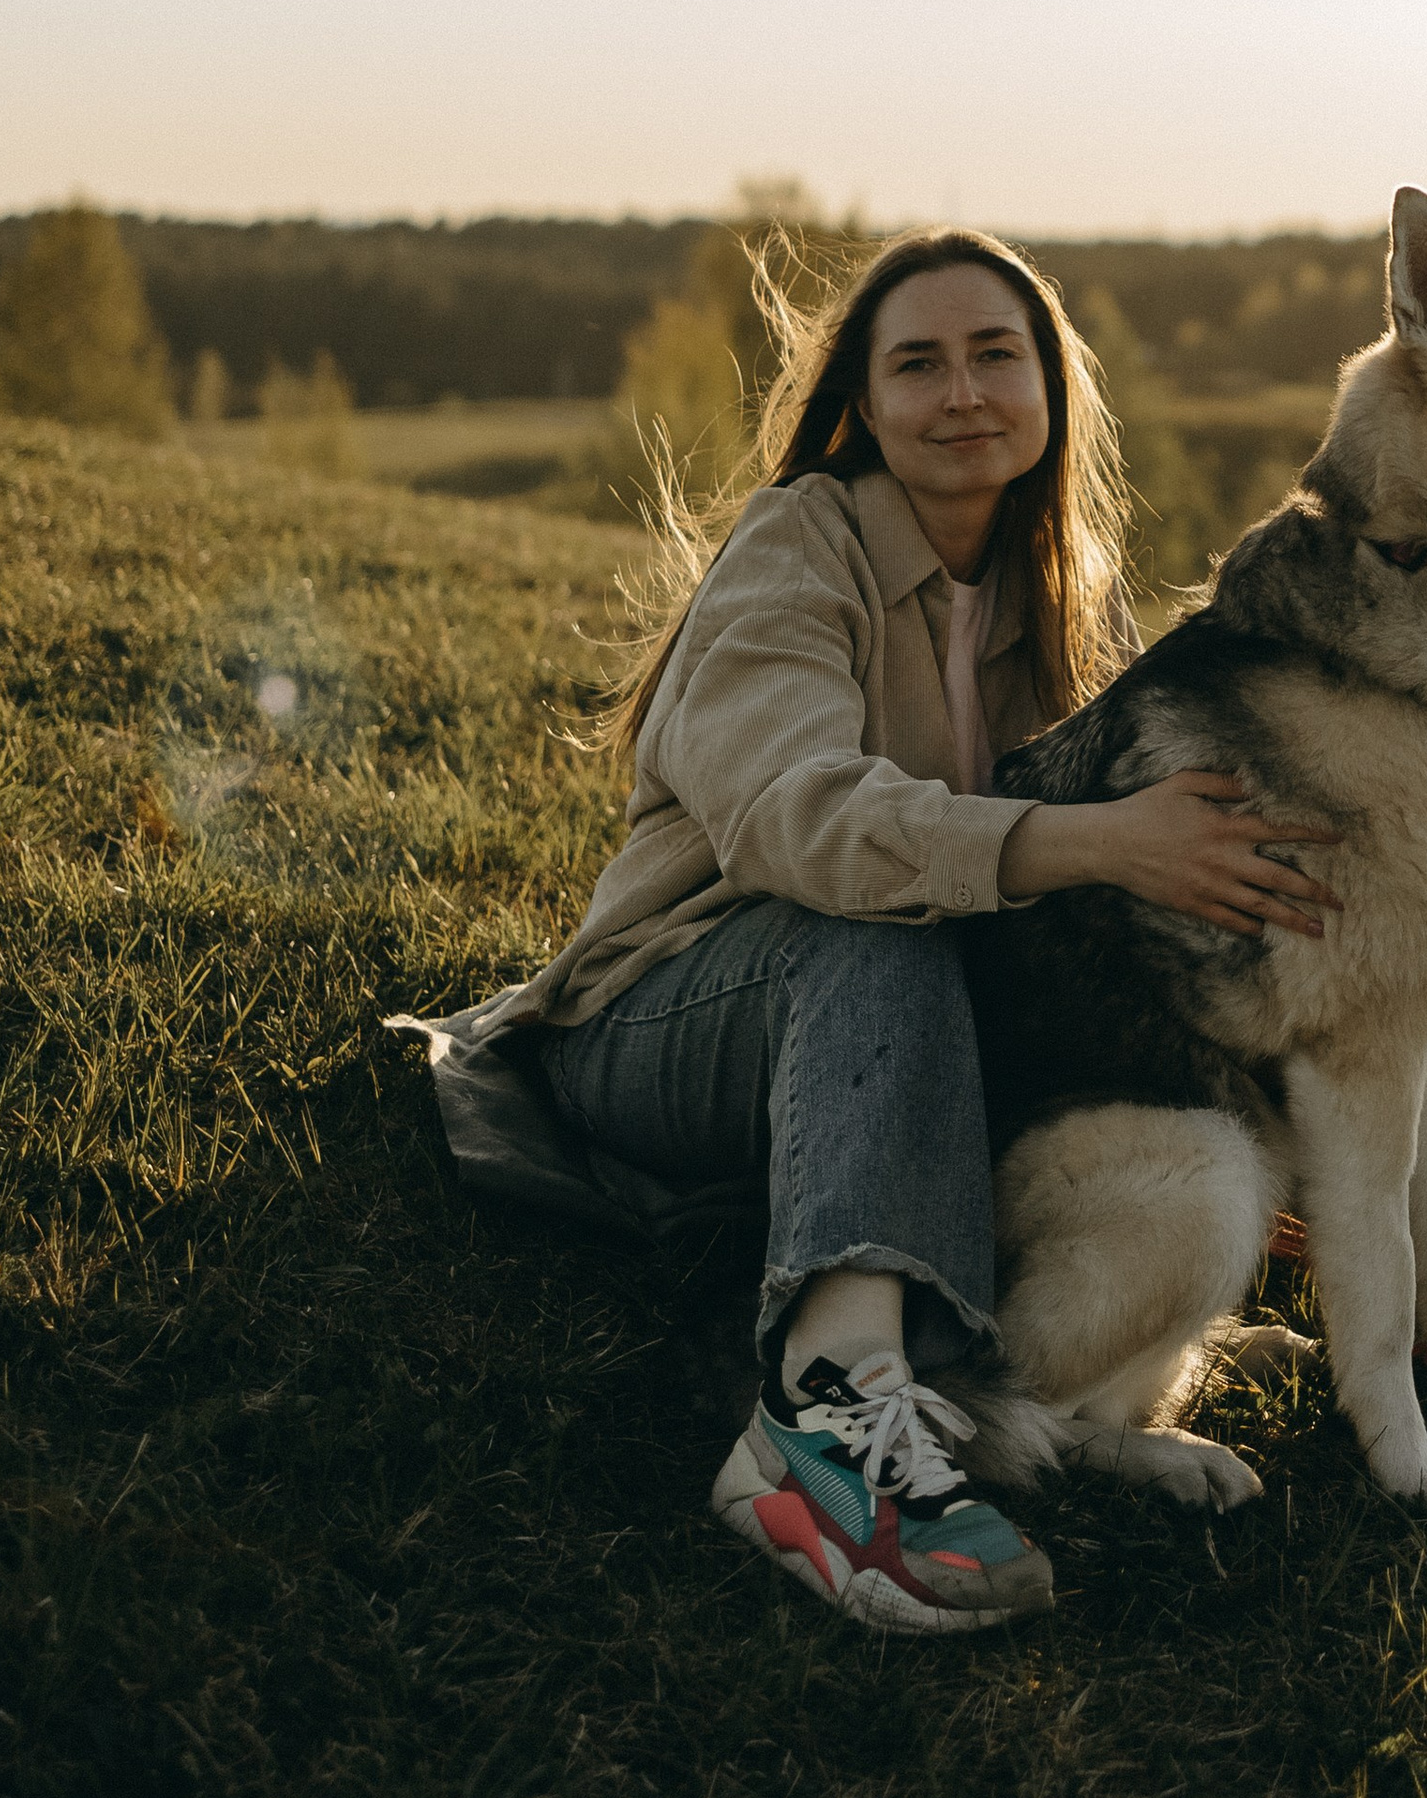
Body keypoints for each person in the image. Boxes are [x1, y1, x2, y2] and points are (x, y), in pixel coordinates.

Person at [482, 226, 1344, 1640]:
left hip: (907, 1047)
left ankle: (1089, 1394)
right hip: (669, 1016)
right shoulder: (794, 545)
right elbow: (796, 821)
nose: (963, 393)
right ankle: (823, 1421)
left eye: (998, 355)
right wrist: (1097, 840)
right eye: (919, 363)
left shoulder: (1066, 591)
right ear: (864, 405)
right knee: (876, 928)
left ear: (1054, 389)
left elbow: (1123, 915)